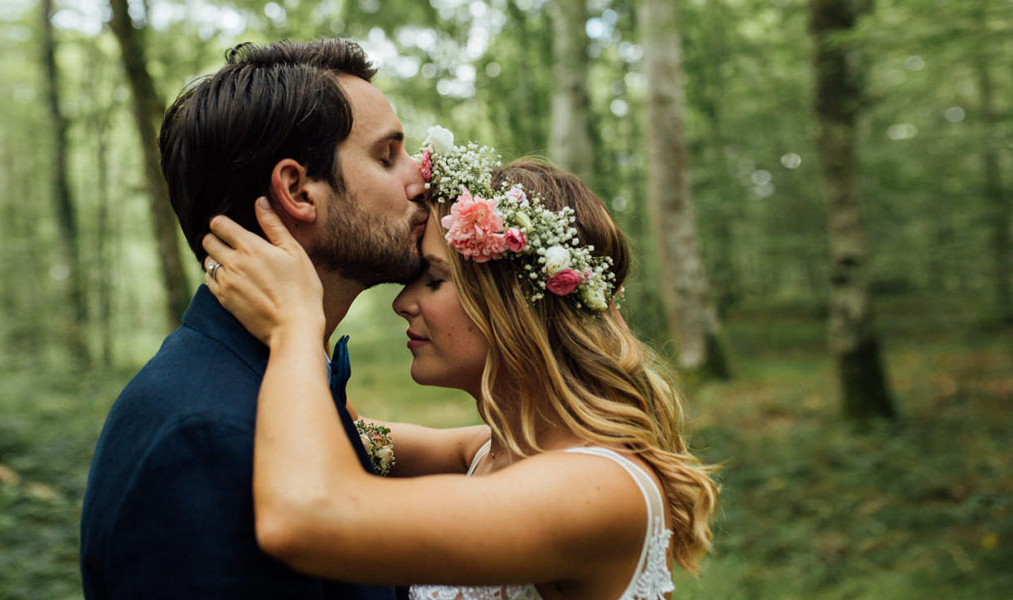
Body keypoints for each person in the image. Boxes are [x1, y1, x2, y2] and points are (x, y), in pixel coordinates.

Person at [200, 140, 720, 599]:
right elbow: (344, 434)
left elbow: (305, 517)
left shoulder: (600, 490)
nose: (402, 302)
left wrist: (294, 323)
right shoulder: (491, 451)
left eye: (431, 279)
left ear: (517, 304)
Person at [79, 39, 429, 599]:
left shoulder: (273, 376)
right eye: (388, 156)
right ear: (296, 190)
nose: (421, 178)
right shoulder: (205, 436)